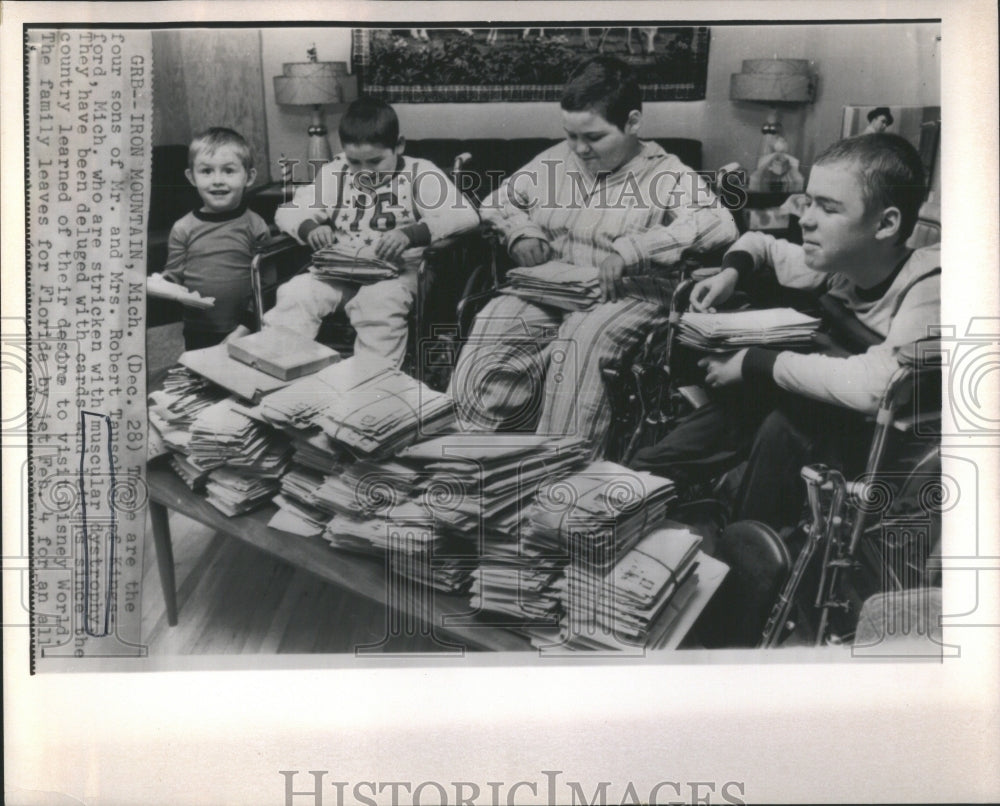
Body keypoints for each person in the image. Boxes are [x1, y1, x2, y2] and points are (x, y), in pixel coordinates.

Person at [630, 133, 940, 532]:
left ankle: (747, 552)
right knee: (725, 416)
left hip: (885, 444)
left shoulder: (932, 284)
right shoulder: (840, 262)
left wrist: (755, 361)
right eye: (809, 202)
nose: (806, 218)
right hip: (822, 410)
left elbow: (879, 386)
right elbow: (760, 243)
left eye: (828, 208)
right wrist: (730, 272)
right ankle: (629, 494)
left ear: (886, 224)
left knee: (783, 422)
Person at [449, 56, 738, 456]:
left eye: (595, 138)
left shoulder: (666, 173)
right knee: (496, 318)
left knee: (581, 341)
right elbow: (497, 202)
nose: (580, 150)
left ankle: (562, 474)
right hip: (554, 288)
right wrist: (520, 231)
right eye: (571, 136)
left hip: (627, 296)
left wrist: (637, 249)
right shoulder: (555, 162)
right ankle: (466, 456)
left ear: (633, 122)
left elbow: (719, 224)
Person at [262, 97, 479, 368]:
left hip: (397, 273)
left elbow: (465, 215)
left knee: (378, 305)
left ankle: (371, 382)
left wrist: (411, 234)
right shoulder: (335, 173)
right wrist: (310, 227)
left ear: (399, 145)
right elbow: (288, 211)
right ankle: (280, 371)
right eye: (355, 162)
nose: (364, 173)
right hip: (340, 272)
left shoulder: (420, 173)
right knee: (295, 293)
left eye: (375, 162)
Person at [161, 127, 270, 351]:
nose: (217, 180)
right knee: (202, 380)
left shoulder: (256, 226)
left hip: (246, 328)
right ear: (192, 177)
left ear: (248, 177)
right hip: (198, 329)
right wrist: (160, 286)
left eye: (229, 171)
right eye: (206, 171)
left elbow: (266, 286)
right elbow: (172, 277)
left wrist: (246, 326)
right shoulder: (182, 228)